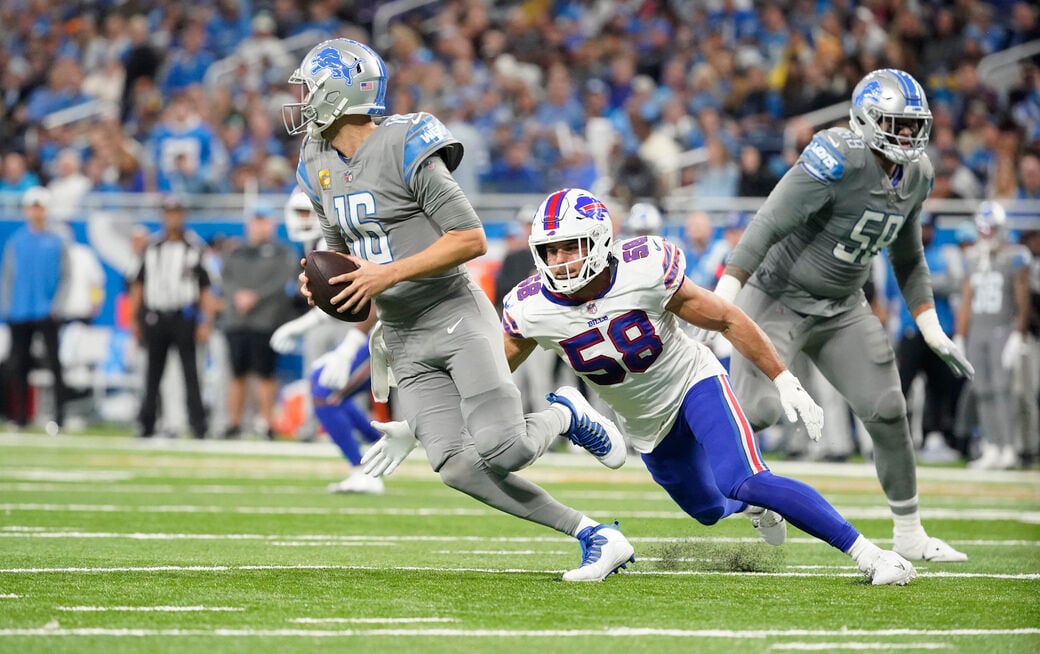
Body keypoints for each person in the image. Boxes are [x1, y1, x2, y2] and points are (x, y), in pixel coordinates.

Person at [367, 188, 917, 586]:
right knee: (707, 508)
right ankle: (750, 506)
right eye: (551, 250)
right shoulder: (531, 306)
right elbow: (487, 376)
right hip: (643, 424)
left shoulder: (646, 267)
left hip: (692, 382)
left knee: (744, 477)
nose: (561, 260)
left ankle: (871, 554)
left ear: (603, 241)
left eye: (573, 246)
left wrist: (784, 378)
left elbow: (724, 318)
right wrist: (421, 425)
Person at [282, 38, 635, 582]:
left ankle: (566, 413)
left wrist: (387, 274)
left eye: (310, 87)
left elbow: (470, 238)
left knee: (505, 448)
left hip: (453, 313)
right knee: (455, 465)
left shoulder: (404, 143)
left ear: (341, 92)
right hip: (401, 335)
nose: (303, 99)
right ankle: (595, 534)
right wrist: (325, 284)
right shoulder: (315, 160)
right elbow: (341, 253)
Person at [704, 69, 973, 562]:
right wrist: (725, 298)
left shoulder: (917, 174)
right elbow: (768, 221)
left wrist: (930, 326)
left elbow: (908, 257)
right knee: (758, 413)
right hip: (778, 296)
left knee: (889, 409)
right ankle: (751, 496)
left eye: (915, 126)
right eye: (899, 124)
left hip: (843, 306)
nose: (910, 136)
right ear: (869, 119)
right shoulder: (837, 155)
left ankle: (909, 531)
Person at [270, 189, 386, 493]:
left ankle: (364, 468)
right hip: (369, 331)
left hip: (382, 336)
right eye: (300, 213)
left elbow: (370, 298)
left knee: (323, 392)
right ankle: (381, 451)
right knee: (328, 391)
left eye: (309, 213)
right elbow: (337, 301)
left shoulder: (336, 244)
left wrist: (347, 351)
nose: (304, 220)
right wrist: (300, 325)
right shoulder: (320, 245)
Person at [129, 195, 216, 440]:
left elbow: (206, 288)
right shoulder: (151, 247)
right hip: (156, 316)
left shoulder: (195, 247)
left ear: (183, 216)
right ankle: (146, 424)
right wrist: (134, 319)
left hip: (184, 316)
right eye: (169, 213)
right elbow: (138, 285)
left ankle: (199, 426)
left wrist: (205, 321)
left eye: (177, 213)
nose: (173, 217)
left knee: (191, 374)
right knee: (152, 373)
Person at [954, 201, 1033, 469]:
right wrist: (961, 335)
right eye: (983, 229)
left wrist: (1018, 334)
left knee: (1003, 390)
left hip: (1002, 329)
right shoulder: (972, 258)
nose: (986, 234)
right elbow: (967, 299)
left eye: (991, 229)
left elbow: (1022, 299)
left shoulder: (1015, 256)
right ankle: (991, 445)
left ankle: (1009, 446)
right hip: (978, 330)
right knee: (982, 390)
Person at [219, 205, 298, 439]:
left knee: (265, 373)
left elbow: (282, 281)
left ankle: (267, 422)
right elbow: (225, 280)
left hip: (266, 320)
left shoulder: (281, 253)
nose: (259, 225)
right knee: (237, 373)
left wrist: (255, 296)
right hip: (237, 320)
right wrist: (238, 295)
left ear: (271, 224)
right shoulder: (235, 252)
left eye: (263, 220)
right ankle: (234, 422)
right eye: (255, 220)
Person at [0, 187, 69, 432]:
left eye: (40, 207)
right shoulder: (17, 241)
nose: (36, 212)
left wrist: (57, 306)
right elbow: (8, 277)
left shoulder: (56, 241)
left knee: (54, 364)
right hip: (19, 311)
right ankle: (19, 417)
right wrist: (7, 307)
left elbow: (65, 276)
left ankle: (60, 415)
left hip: (46, 311)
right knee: (18, 364)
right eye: (33, 207)